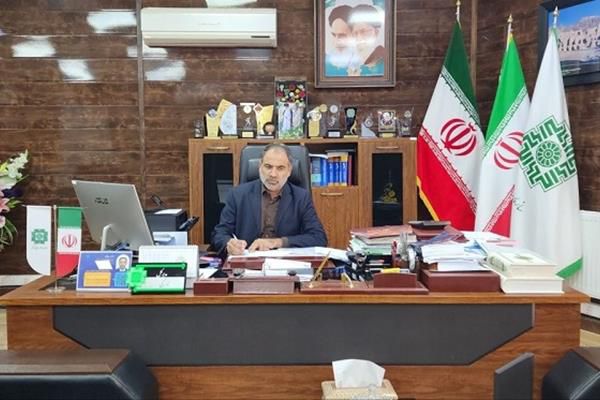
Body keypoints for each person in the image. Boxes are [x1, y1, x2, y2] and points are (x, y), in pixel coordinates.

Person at [211, 143, 327, 256]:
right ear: (260, 166)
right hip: (248, 262)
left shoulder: (301, 197)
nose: (273, 174)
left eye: (280, 168)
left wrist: (277, 242)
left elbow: (318, 237)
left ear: (289, 171)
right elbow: (219, 234)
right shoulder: (237, 195)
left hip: (286, 264)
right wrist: (228, 244)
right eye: (268, 166)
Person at [347, 4, 385, 77]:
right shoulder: (352, 62)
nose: (359, 38)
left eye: (363, 32)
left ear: (376, 32)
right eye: (355, 33)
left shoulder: (385, 59)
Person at [324, 5, 354, 77]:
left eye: (342, 36)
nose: (336, 42)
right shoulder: (325, 61)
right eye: (334, 35)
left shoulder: (364, 62)